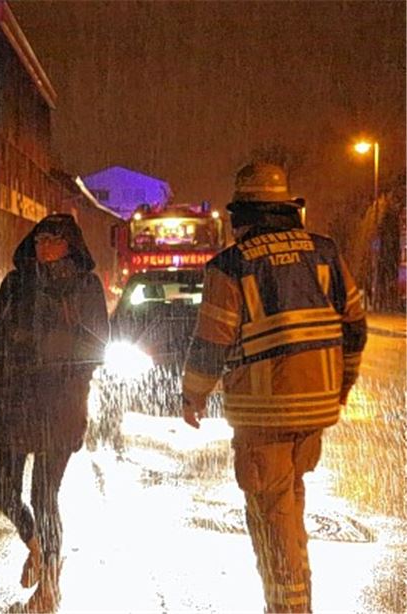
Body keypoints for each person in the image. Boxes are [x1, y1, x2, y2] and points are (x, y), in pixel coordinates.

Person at [181, 162, 366, 613]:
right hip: (316, 407)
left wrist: (193, 394)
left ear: (242, 214)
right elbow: (355, 327)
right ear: (286, 208)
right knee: (290, 502)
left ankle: (288, 607)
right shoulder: (324, 253)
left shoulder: (232, 265)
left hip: (264, 412)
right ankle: (294, 598)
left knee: (271, 513)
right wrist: (340, 387)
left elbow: (212, 340)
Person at [0, 213, 108, 612]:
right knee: (4, 493)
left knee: (44, 494)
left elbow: (96, 343)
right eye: (40, 237)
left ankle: (50, 581)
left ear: (70, 244)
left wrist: (53, 358)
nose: (44, 244)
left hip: (59, 406)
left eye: (54, 238)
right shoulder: (16, 284)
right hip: (12, 405)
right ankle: (36, 545)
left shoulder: (84, 287)